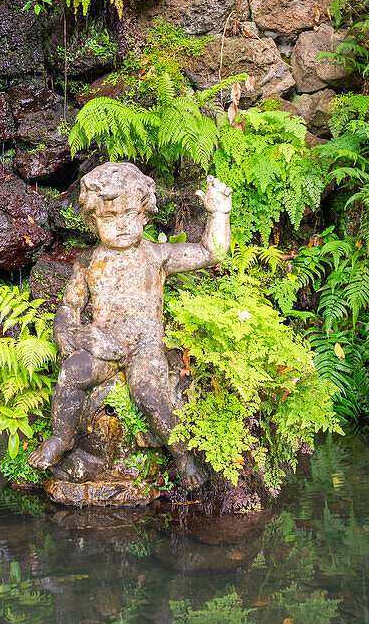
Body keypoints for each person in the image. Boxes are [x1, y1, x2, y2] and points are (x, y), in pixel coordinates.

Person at [26, 162, 232, 491]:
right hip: (104, 345)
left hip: (144, 346)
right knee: (70, 375)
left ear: (145, 214)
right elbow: (69, 308)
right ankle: (61, 437)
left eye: (130, 215)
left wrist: (219, 214)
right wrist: (73, 336)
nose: (122, 225)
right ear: (93, 219)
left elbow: (211, 252)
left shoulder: (156, 256)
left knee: (151, 396)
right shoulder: (87, 262)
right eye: (110, 217)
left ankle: (180, 456)